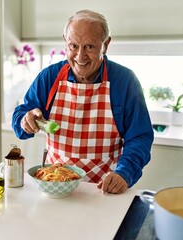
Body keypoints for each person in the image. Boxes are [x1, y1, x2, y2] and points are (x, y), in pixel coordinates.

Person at [12, 10, 154, 194]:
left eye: (90, 47)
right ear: (65, 41)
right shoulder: (49, 77)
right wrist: (25, 120)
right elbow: (20, 118)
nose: (80, 57)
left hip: (104, 190)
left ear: (106, 44)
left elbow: (140, 137)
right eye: (73, 46)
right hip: (55, 187)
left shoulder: (124, 81)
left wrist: (124, 173)